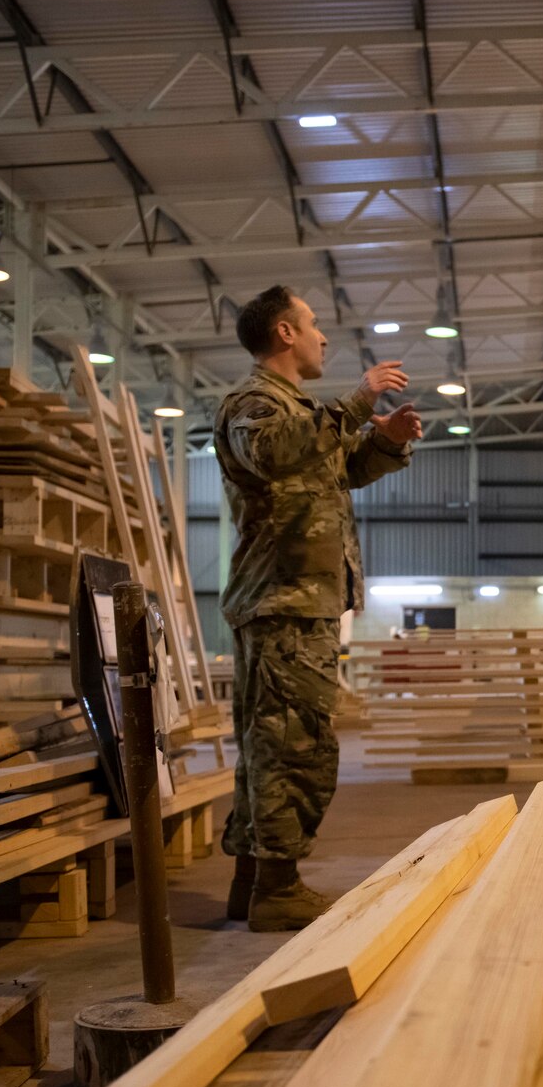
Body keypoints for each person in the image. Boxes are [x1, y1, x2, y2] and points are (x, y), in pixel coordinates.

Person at [216, 285, 421, 930]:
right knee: (290, 746)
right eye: (313, 325)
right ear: (284, 333)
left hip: (300, 602)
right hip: (283, 601)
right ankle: (277, 892)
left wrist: (382, 439)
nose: (323, 336)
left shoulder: (299, 411)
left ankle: (255, 881)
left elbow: (335, 469)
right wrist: (360, 400)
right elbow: (276, 454)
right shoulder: (255, 404)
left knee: (270, 743)